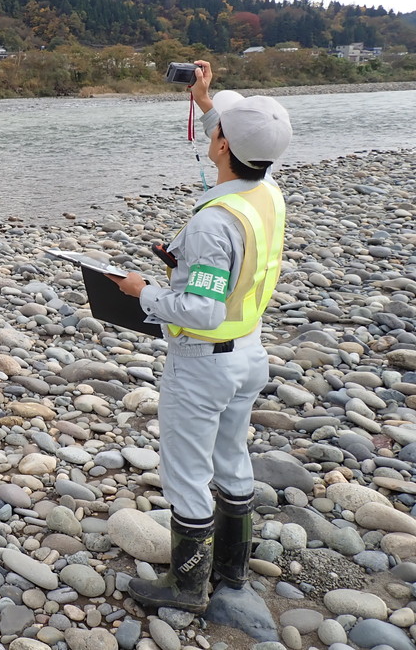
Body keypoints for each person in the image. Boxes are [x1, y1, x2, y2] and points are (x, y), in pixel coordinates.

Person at [108, 60, 292, 613]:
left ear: (220, 147)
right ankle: (233, 572)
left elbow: (202, 310)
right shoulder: (267, 194)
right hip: (249, 352)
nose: (213, 136)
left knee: (186, 473)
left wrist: (141, 290)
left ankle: (187, 587)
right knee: (232, 461)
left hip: (204, 361)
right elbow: (236, 141)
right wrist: (206, 100)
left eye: (217, 132)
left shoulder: (214, 222)